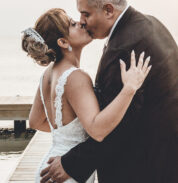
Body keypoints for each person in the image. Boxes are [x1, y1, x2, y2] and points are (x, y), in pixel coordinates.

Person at [40, 0, 178, 183]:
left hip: (141, 168)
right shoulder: (151, 24)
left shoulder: (124, 48)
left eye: (86, 14)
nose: (82, 21)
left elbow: (120, 124)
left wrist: (72, 163)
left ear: (108, 10)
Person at [21, 8, 151, 183]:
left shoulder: (48, 74)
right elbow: (97, 131)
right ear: (62, 41)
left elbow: (35, 121)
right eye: (73, 24)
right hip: (67, 173)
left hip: (49, 165)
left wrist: (68, 133)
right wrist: (129, 88)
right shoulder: (76, 77)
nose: (81, 23)